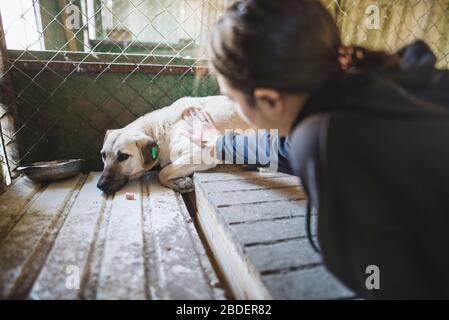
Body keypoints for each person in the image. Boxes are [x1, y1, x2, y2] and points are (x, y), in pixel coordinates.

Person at [182, 0, 449, 299]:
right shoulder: (369, 83)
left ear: (269, 99)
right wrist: (220, 142)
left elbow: (386, 281)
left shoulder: (324, 137)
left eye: (233, 99)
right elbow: (285, 148)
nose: (234, 107)